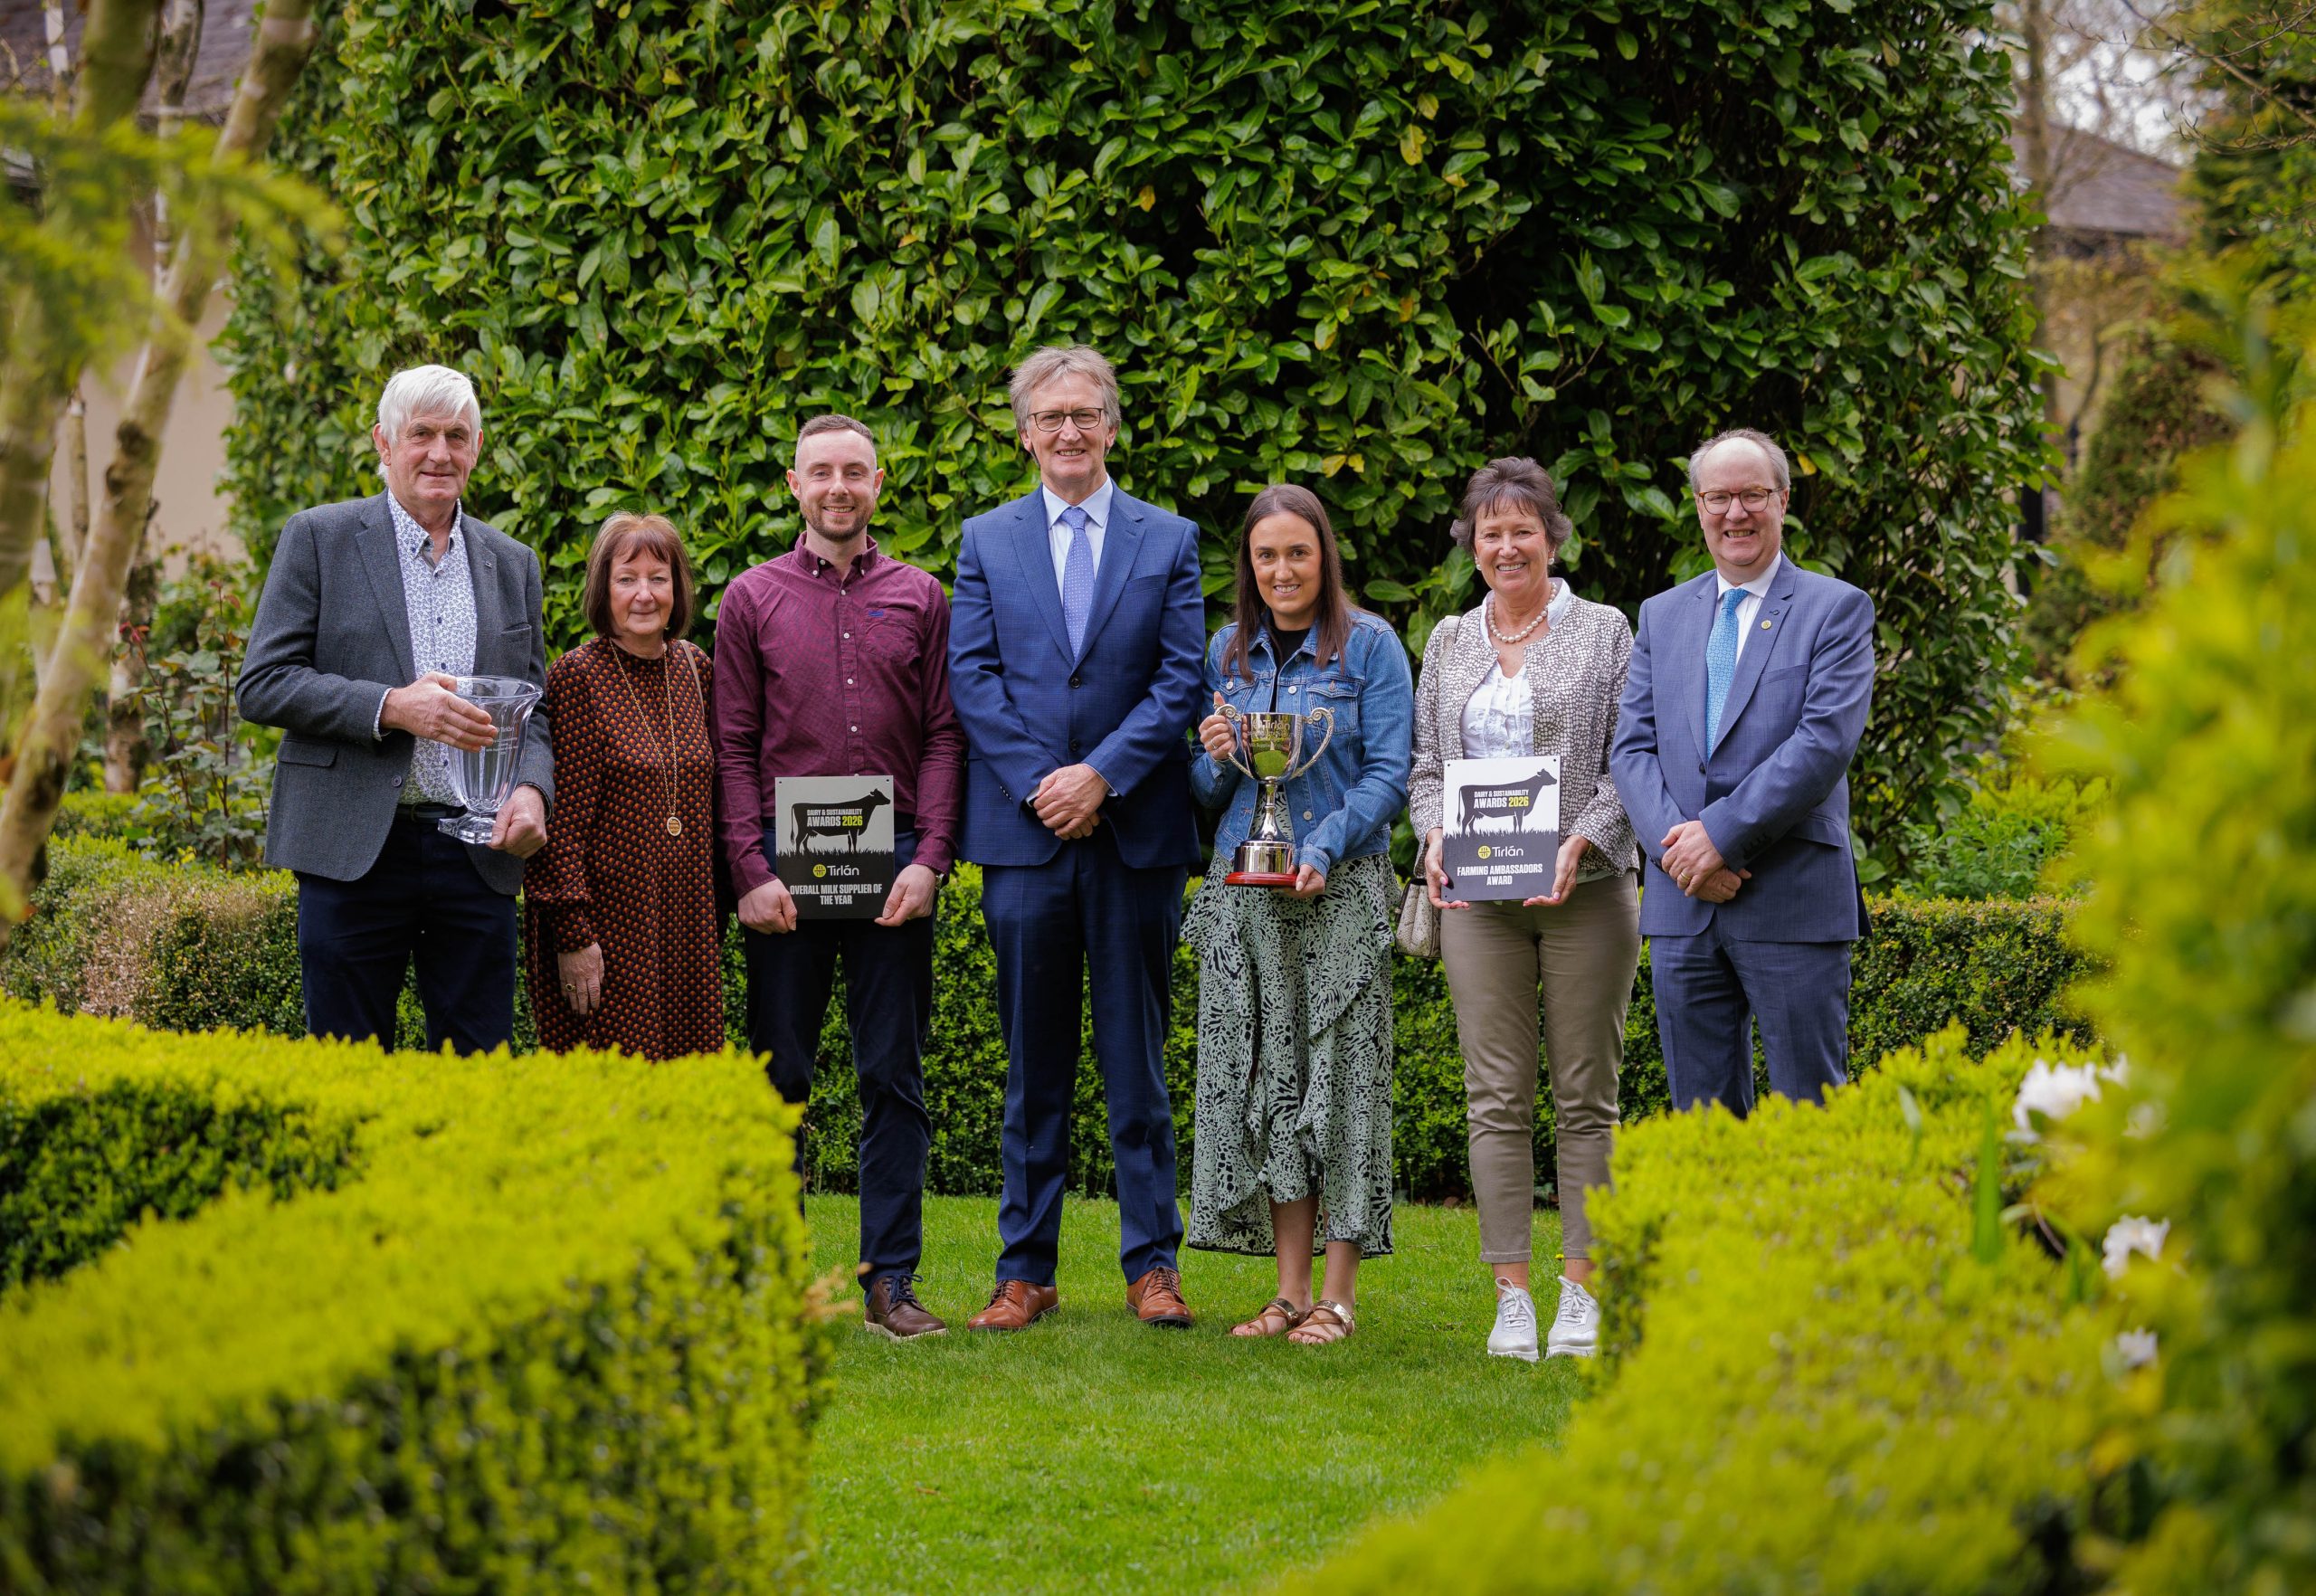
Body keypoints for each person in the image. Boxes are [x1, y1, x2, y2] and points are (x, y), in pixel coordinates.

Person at [947, 344, 1206, 1332]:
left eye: (1083, 414)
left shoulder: (1167, 538)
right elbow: (974, 679)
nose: (1066, 431)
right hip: (1025, 839)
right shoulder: (985, 539)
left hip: (1135, 831)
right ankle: (1026, 1269)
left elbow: (1180, 678)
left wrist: (1101, 774)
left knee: (1137, 1063)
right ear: (1024, 431)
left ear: (1110, 426)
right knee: (1032, 1065)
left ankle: (1153, 1266)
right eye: (1048, 417)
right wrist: (1044, 786)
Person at [712, 414, 965, 1342]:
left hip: (891, 859)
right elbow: (733, 744)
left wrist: (931, 858)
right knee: (777, 1077)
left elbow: (944, 734)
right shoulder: (749, 599)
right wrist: (745, 867)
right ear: (793, 486)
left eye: (853, 473)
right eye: (820, 473)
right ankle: (775, 1280)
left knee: (892, 1076)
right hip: (783, 871)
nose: (837, 489)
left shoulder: (921, 597)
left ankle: (888, 1282)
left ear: (878, 483)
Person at [238, 364, 552, 1054]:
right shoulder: (319, 538)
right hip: (353, 851)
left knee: (475, 1083)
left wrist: (530, 791)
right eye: (421, 435)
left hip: (475, 857)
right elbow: (262, 682)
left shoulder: (512, 562)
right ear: (384, 444)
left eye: (457, 436)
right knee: (349, 1077)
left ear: (475, 450)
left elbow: (536, 711)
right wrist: (390, 707)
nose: (440, 453)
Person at [1409, 458, 1641, 1363]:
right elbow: (1428, 772)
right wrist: (1431, 835)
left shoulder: (1605, 632)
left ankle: (1579, 1293)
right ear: (1471, 544)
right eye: (1489, 531)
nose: (1506, 545)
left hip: (1583, 895)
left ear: (1552, 536)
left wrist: (1584, 837)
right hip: (1478, 901)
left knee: (1588, 1100)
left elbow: (1632, 761)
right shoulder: (1449, 639)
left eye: (1522, 529)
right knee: (1494, 1100)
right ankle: (1511, 1295)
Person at [1184, 485, 1412, 1347]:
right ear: (1249, 564)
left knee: (1343, 1086)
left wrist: (1321, 847)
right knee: (1270, 1085)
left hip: (1340, 889)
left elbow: (1390, 773)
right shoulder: (1228, 654)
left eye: (1298, 553)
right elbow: (1213, 793)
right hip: (1247, 893)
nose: (1282, 570)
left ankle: (1339, 1296)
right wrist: (1212, 760)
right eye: (1266, 555)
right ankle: (1286, 1293)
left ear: (1326, 557)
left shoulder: (1372, 648)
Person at [1608, 426, 1875, 1118]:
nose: (1736, 513)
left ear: (1783, 501)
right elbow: (1631, 750)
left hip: (1791, 899)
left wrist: (1719, 837)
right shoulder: (1661, 616)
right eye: (1719, 497)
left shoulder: (1836, 610)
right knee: (1702, 1124)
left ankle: (1816, 1235)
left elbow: (1821, 745)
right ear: (1698, 507)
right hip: (1683, 905)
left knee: (1808, 1116)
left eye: (1752, 495)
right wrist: (1683, 854)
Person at [522, 513, 723, 1061]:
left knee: (687, 1096)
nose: (644, 594)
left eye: (659, 578)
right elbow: (558, 829)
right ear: (602, 589)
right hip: (608, 932)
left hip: (685, 927)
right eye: (626, 578)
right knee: (614, 1101)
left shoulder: (695, 668)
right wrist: (574, 937)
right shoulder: (577, 677)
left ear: (677, 589)